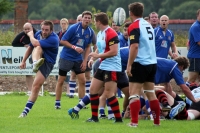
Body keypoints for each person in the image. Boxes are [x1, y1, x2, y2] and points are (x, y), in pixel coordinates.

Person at [126, 2, 160, 127]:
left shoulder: (134, 26)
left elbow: (134, 46)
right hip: (152, 63)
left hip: (140, 63)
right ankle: (157, 122)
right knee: (150, 93)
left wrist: (129, 65)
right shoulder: (149, 25)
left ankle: (134, 123)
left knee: (133, 93)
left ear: (131, 13)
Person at [86, 12, 122, 123]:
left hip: (112, 66)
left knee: (109, 93)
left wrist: (98, 56)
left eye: (95, 21)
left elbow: (114, 52)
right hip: (103, 65)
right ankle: (94, 118)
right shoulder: (101, 33)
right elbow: (100, 48)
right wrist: (93, 58)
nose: (94, 23)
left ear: (99, 22)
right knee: (93, 90)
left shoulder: (111, 33)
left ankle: (118, 119)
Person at [18, 20, 59, 117]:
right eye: (43, 29)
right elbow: (30, 47)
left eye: (47, 30)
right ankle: (35, 63)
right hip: (37, 58)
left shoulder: (54, 38)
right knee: (37, 48)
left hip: (47, 63)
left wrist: (31, 35)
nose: (44, 32)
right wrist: (23, 61)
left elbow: (35, 42)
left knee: (36, 86)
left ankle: (25, 111)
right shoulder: (38, 34)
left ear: (51, 30)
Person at [54, 11, 94, 109]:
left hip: (78, 59)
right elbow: (62, 40)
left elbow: (88, 46)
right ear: (82, 18)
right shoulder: (73, 28)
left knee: (82, 81)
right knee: (61, 80)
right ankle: (57, 103)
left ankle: (81, 103)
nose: (87, 19)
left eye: (89, 18)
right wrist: (74, 47)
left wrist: (85, 61)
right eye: (86, 17)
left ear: (91, 20)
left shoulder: (90, 31)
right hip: (66, 57)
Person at [68, 14, 96, 99]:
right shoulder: (73, 29)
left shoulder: (90, 31)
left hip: (86, 57)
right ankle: (71, 94)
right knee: (73, 75)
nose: (80, 21)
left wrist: (94, 56)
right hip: (75, 57)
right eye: (79, 20)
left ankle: (87, 94)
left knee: (87, 76)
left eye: (81, 20)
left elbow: (95, 44)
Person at [12, 22, 36, 95]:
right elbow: (14, 43)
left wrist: (32, 46)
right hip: (26, 57)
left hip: (37, 56)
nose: (27, 31)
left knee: (38, 73)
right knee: (28, 73)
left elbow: (41, 42)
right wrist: (23, 45)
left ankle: (36, 91)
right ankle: (30, 90)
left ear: (32, 28)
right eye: (25, 29)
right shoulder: (22, 35)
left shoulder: (37, 33)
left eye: (28, 29)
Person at [55, 18, 70, 96]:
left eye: (65, 23)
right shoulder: (58, 34)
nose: (63, 25)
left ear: (67, 24)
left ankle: (68, 90)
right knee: (57, 72)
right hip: (58, 54)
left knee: (66, 73)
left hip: (66, 54)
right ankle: (57, 90)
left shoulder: (69, 33)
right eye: (62, 23)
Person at [186, 9, 200, 85]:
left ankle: (196, 95)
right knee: (192, 78)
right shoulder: (196, 26)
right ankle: (186, 94)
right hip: (195, 57)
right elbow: (199, 42)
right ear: (197, 15)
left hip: (198, 56)